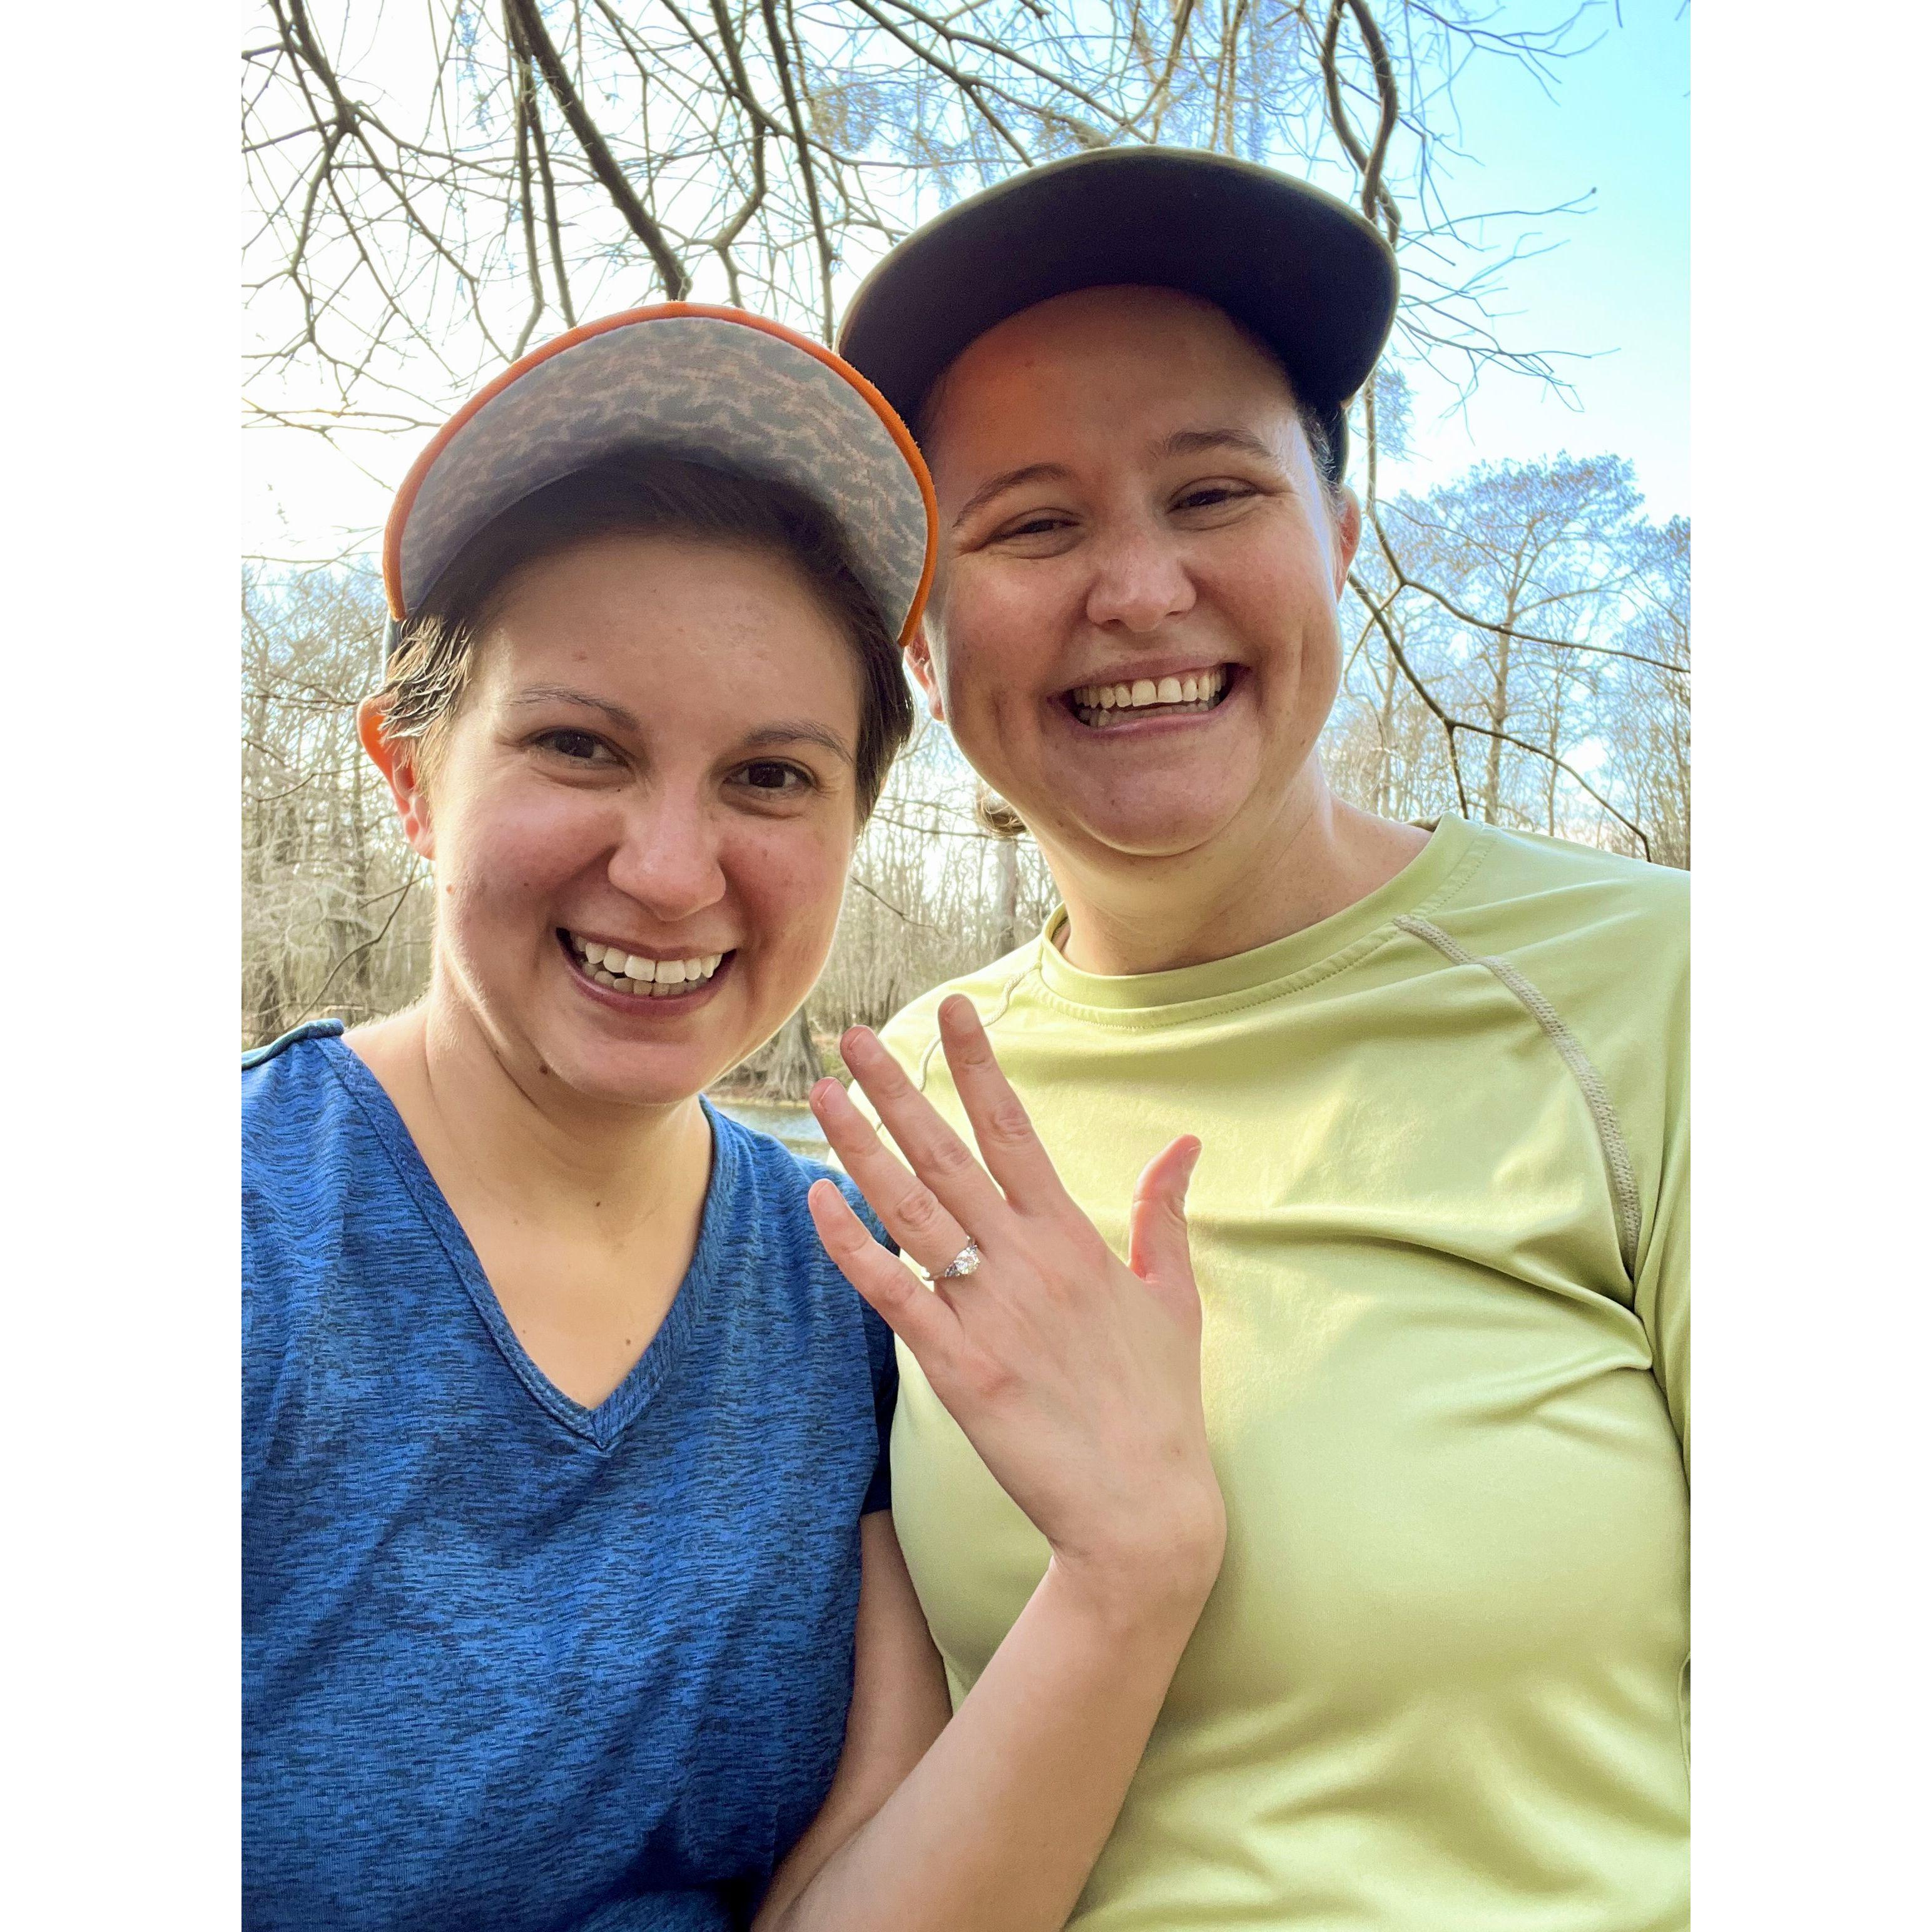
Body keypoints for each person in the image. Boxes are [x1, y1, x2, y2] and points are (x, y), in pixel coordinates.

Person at [243, 305, 1226, 1931]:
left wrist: (1130, 1571)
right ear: (411, 775)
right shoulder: (248, 1239)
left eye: (771, 776)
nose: (673, 872)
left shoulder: (843, 1288)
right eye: (578, 745)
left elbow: (847, 1893)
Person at [821, 148, 1690, 1930]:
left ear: (1342, 544)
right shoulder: (907, 1104)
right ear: (924, 626)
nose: (1138, 591)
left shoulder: (1670, 995)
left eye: (1214, 493)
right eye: (1033, 524)